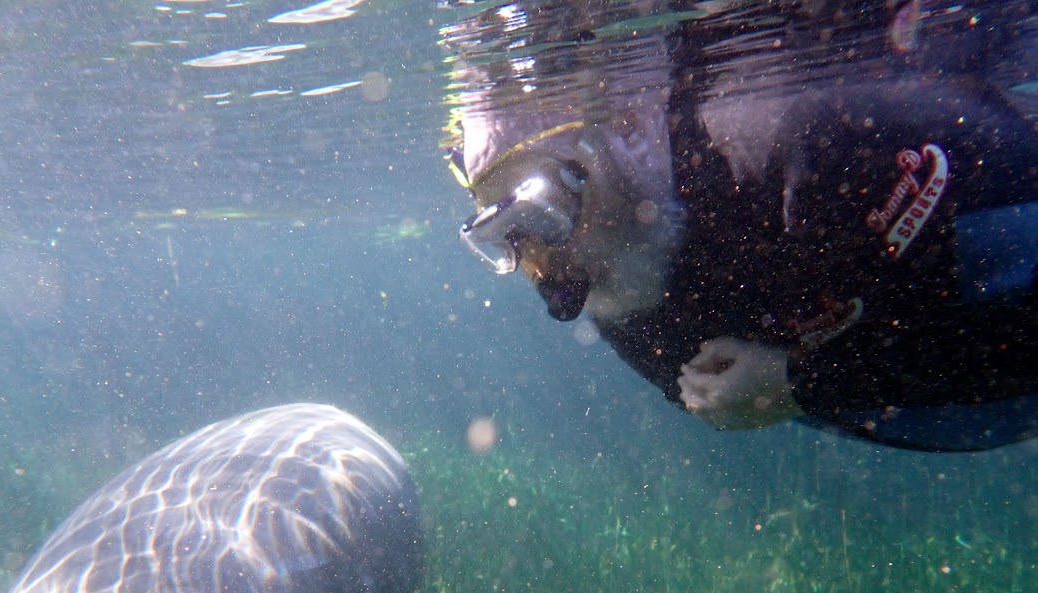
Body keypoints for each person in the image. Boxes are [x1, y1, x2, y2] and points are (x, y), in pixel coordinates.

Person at [445, 0, 1038, 451]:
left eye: (543, 215)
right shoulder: (619, 284)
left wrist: (801, 383)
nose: (548, 279)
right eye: (502, 241)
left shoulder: (805, 151)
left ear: (621, 138)